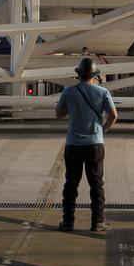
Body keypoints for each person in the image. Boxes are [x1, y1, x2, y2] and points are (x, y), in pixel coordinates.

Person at [55, 57, 118, 233]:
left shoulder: (69, 91)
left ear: (79, 74)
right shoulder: (103, 92)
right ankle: (97, 222)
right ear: (94, 75)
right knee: (96, 184)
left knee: (71, 184)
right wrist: (102, 130)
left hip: (73, 144)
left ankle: (68, 222)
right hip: (95, 145)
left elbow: (58, 114)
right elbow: (113, 116)